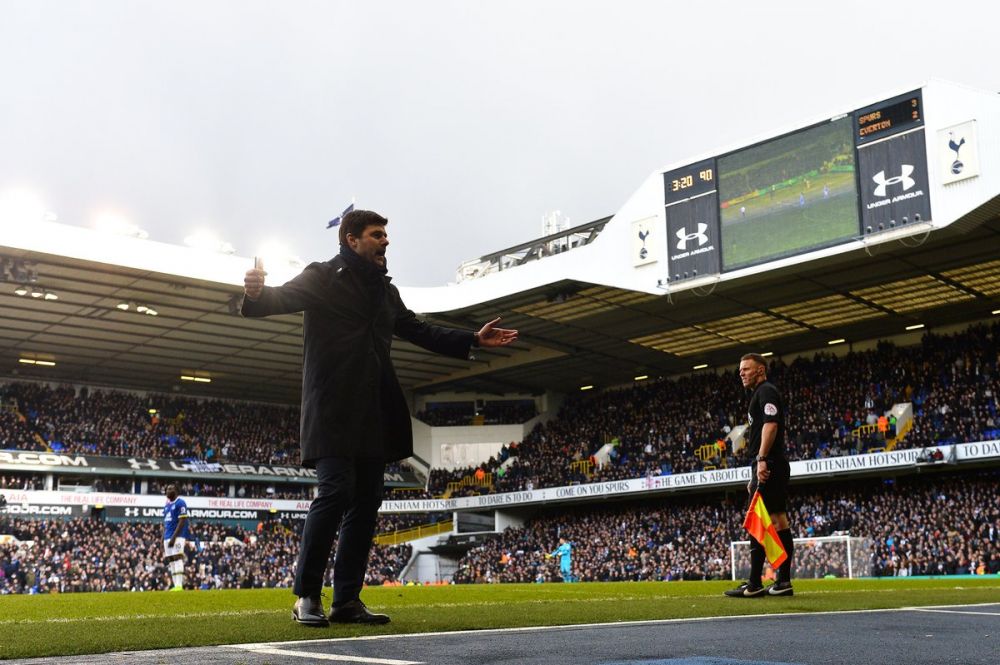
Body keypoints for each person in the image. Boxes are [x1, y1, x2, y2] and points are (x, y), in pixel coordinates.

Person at [242, 209, 518, 627]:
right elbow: (276, 300)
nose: (385, 241)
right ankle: (307, 596)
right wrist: (257, 293)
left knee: (367, 501)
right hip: (332, 409)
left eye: (386, 235)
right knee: (335, 492)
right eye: (376, 235)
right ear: (351, 240)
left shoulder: (386, 292)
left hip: (374, 412)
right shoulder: (322, 276)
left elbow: (419, 330)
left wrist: (472, 340)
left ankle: (346, 600)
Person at [725, 353, 794, 597]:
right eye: (740, 370)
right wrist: (755, 469)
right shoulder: (760, 393)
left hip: (770, 463)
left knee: (761, 519)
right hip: (770, 464)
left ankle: (755, 583)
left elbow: (771, 425)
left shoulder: (766, 391)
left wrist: (762, 460)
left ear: (761, 370)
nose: (741, 373)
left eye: (746, 369)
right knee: (776, 520)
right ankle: (781, 581)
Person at [162, 483, 189, 592]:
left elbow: (182, 521)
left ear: (176, 491)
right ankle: (175, 585)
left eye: (170, 489)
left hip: (177, 536)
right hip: (167, 536)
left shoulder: (180, 503)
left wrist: (173, 537)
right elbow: (165, 523)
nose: (167, 491)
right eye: (167, 489)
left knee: (177, 558)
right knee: (171, 561)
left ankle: (179, 585)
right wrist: (162, 539)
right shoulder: (166, 505)